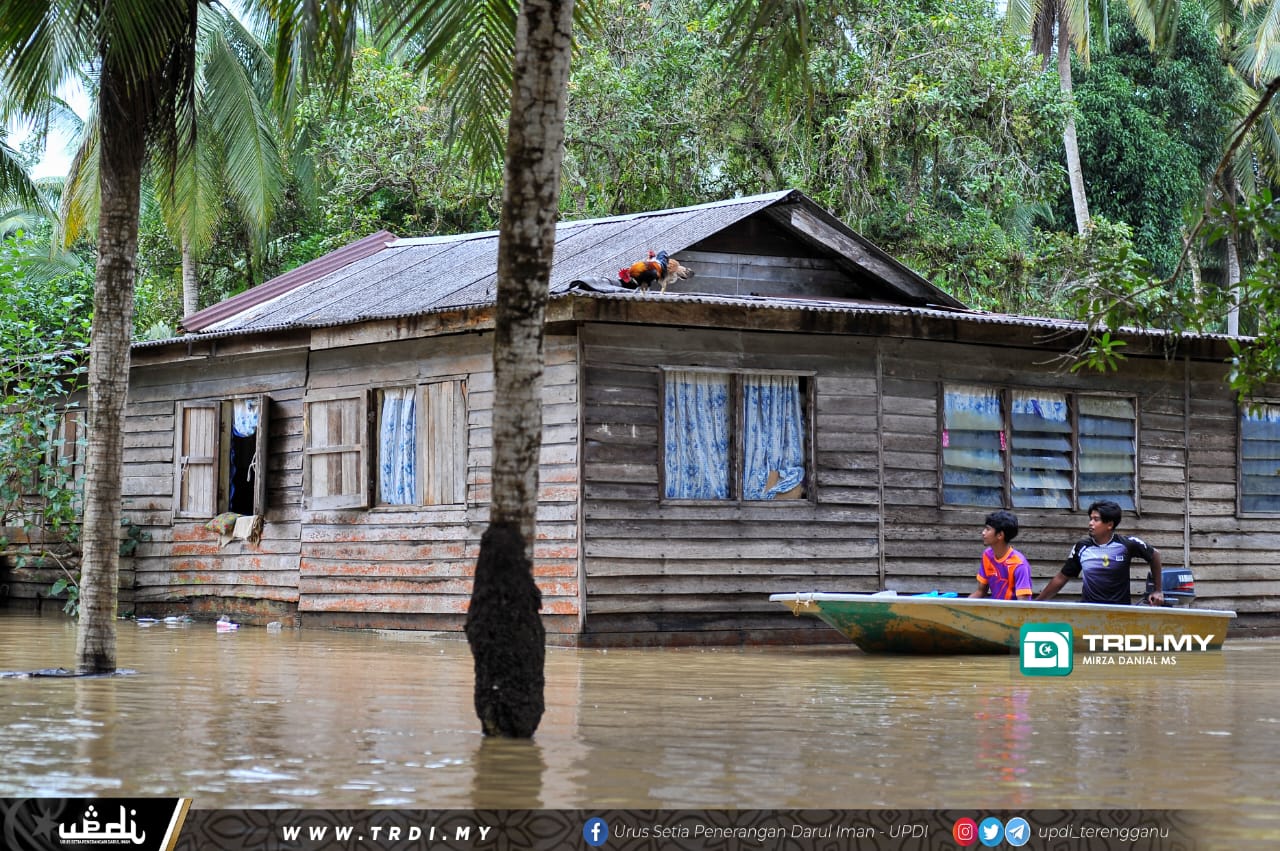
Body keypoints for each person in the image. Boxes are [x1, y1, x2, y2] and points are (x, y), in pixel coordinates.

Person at [1037, 499, 1164, 605]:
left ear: (1109, 525)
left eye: (1096, 519)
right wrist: (1037, 603)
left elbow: (1155, 555)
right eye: (1090, 519)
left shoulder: (1127, 544)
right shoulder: (1081, 547)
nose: (1090, 523)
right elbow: (1061, 578)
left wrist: (1158, 590)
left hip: (1120, 613)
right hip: (1090, 612)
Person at [970, 509, 1033, 600]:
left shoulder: (1019, 564)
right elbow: (980, 592)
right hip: (995, 608)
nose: (983, 532)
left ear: (1000, 535)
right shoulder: (987, 555)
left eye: (988, 529)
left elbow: (1023, 604)